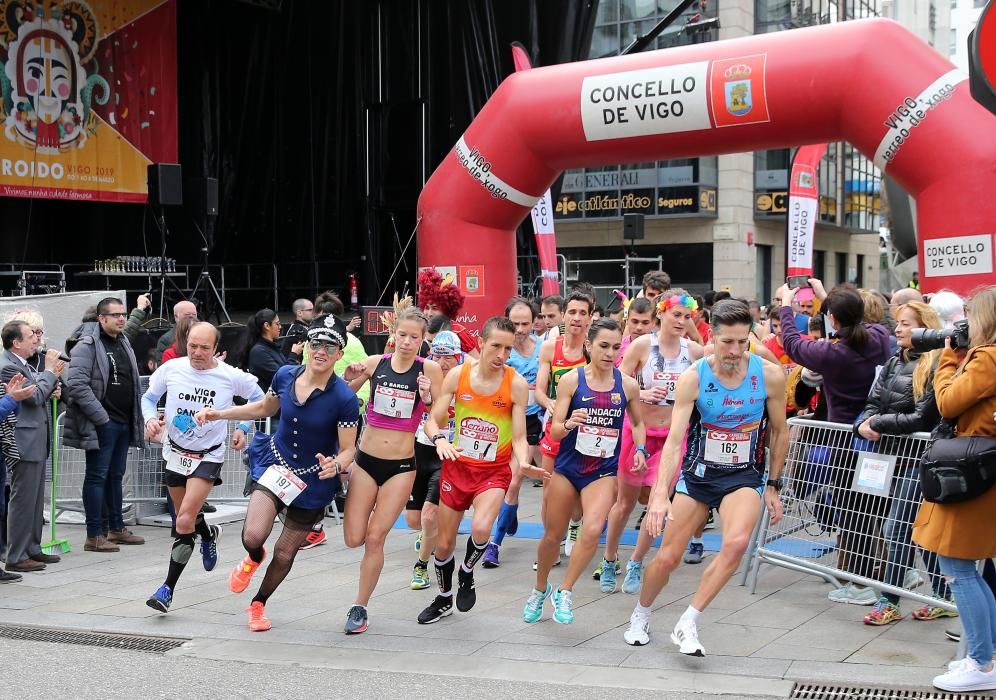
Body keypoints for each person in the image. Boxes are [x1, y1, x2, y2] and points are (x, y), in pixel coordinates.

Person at [623, 300, 788, 656]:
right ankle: (642, 612)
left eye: (742, 342)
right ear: (712, 336)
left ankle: (689, 621)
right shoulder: (694, 377)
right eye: (727, 341)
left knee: (736, 543)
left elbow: (780, 431)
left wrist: (774, 484)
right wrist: (659, 496)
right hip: (697, 476)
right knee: (667, 557)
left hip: (743, 475)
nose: (734, 350)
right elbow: (675, 440)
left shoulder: (769, 376)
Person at [196, 316, 358, 631]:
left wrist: (336, 465)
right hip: (276, 463)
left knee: (285, 552)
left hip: (312, 480)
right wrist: (220, 413)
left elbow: (349, 449)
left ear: (340, 353)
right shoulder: (285, 375)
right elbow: (263, 410)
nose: (320, 351)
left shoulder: (345, 399)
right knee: (253, 535)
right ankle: (253, 557)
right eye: (315, 343)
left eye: (329, 345)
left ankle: (258, 604)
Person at [774, 279, 891, 605]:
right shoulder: (879, 338)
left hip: (846, 442)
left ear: (834, 320)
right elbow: (858, 323)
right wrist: (830, 301)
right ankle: (894, 575)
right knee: (873, 512)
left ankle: (861, 585)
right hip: (878, 440)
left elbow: (793, 344)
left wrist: (786, 305)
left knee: (853, 514)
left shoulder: (835, 353)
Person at [525, 319, 647, 624]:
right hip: (568, 468)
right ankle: (540, 590)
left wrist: (641, 450)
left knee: (593, 529)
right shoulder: (571, 380)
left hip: (603, 471)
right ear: (588, 346)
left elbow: (640, 423)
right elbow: (553, 432)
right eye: (603, 346)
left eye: (616, 347)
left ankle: (564, 591)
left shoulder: (627, 385)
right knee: (553, 536)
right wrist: (568, 423)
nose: (610, 353)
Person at [141, 322, 262, 613]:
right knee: (189, 517)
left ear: (216, 348)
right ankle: (208, 534)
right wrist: (149, 419)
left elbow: (261, 399)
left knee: (183, 521)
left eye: (204, 348)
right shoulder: (172, 369)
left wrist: (243, 427)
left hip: (208, 455)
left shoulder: (229, 376)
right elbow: (148, 397)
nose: (196, 352)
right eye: (192, 345)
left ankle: (166, 589)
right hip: (174, 452)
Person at [416, 316, 530, 624]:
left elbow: (519, 437)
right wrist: (439, 438)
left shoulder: (515, 384)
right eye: (496, 347)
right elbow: (432, 419)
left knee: (481, 528)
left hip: (493, 472)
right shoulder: (458, 375)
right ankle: (443, 598)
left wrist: (525, 461)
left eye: (508, 349)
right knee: (442, 544)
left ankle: (467, 573)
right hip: (457, 467)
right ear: (480, 344)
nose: (502, 356)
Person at [340, 307, 444, 634]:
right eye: (403, 335)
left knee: (375, 538)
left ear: (423, 339)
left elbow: (440, 413)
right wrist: (350, 374)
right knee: (354, 537)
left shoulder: (429, 369)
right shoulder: (376, 364)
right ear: (393, 334)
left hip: (401, 467)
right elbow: (343, 395)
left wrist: (427, 398)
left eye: (415, 337)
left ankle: (360, 606)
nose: (408, 342)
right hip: (366, 461)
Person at [913, 286, 996, 693]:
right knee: (970, 570)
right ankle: (986, 656)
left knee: (959, 569)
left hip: (973, 475)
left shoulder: (989, 358)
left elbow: (946, 403)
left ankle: (981, 662)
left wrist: (948, 356)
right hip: (981, 469)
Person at [597, 291, 704, 593]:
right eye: (676, 315)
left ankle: (636, 560)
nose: (682, 321)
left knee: (657, 504)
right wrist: (641, 394)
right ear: (662, 314)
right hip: (638, 433)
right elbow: (616, 381)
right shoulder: (644, 345)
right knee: (625, 503)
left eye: (687, 316)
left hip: (673, 439)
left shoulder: (694, 352)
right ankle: (608, 558)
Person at [853, 301, 951, 626]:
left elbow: (923, 416)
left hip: (919, 460)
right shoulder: (895, 361)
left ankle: (889, 600)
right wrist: (863, 424)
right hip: (889, 459)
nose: (898, 329)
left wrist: (878, 424)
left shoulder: (937, 364)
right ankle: (943, 596)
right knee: (914, 530)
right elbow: (870, 402)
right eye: (898, 323)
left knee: (895, 528)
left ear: (925, 326)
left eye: (906, 323)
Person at [65, 298, 146, 553]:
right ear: (101, 318)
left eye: (123, 314)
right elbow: (76, 384)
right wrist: (101, 417)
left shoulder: (122, 340)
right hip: (104, 422)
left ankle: (116, 528)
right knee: (97, 477)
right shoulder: (86, 345)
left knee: (115, 476)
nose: (121, 319)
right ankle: (94, 535)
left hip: (123, 420)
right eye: (115, 315)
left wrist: (139, 311)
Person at [483, 298, 548, 568]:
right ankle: (507, 519)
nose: (520, 329)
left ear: (535, 323)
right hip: (503, 422)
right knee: (508, 484)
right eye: (515, 323)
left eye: (525, 323)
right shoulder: (501, 351)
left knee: (514, 481)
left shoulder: (544, 349)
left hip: (533, 422)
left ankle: (493, 545)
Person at [0, 321, 64, 574]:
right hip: (23, 440)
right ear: (16, 342)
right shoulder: (7, 367)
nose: (37, 340)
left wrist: (50, 385)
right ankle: (16, 554)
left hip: (35, 437)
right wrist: (49, 372)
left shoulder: (22, 364)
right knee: (23, 499)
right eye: (31, 336)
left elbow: (39, 393)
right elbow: (34, 396)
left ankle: (32, 547)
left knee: (36, 498)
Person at [535, 292, 592, 562]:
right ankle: (551, 545)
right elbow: (539, 391)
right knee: (548, 490)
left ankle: (574, 525)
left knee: (577, 490)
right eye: (572, 312)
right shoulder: (550, 348)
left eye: (583, 313)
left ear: (590, 319)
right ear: (564, 316)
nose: (577, 318)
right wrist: (550, 404)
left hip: (585, 429)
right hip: (556, 426)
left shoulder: (592, 350)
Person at [406, 331, 462, 589]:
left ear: (457, 357)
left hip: (447, 455)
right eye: (436, 355)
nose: (441, 361)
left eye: (447, 356)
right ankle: (430, 534)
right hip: (421, 450)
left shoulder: (463, 382)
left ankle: (421, 566)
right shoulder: (423, 377)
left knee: (429, 517)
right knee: (415, 521)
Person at [417, 268, 478, 358]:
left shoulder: (459, 332)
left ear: (446, 309)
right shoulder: (418, 329)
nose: (429, 313)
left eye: (435, 308)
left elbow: (476, 363)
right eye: (426, 308)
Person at [243, 309, 305, 396]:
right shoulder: (259, 351)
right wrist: (293, 354)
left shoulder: (271, 347)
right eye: (277, 324)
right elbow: (281, 378)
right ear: (267, 326)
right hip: (267, 404)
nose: (280, 327)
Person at [616, 297, 655, 368]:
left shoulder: (662, 348)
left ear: (653, 323)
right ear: (626, 321)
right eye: (635, 322)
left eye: (645, 323)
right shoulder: (616, 348)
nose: (639, 327)